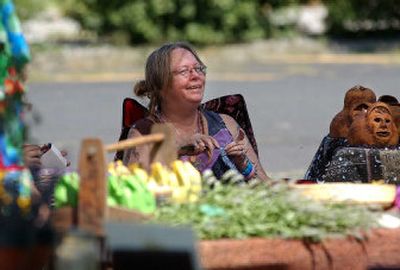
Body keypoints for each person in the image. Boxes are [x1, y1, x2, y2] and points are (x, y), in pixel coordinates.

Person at [123, 41, 269, 181]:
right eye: (184, 71)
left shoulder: (225, 124)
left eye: (199, 69)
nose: (196, 76)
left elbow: (266, 185)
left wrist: (243, 165)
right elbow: (133, 190)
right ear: (160, 85)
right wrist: (177, 150)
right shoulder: (144, 133)